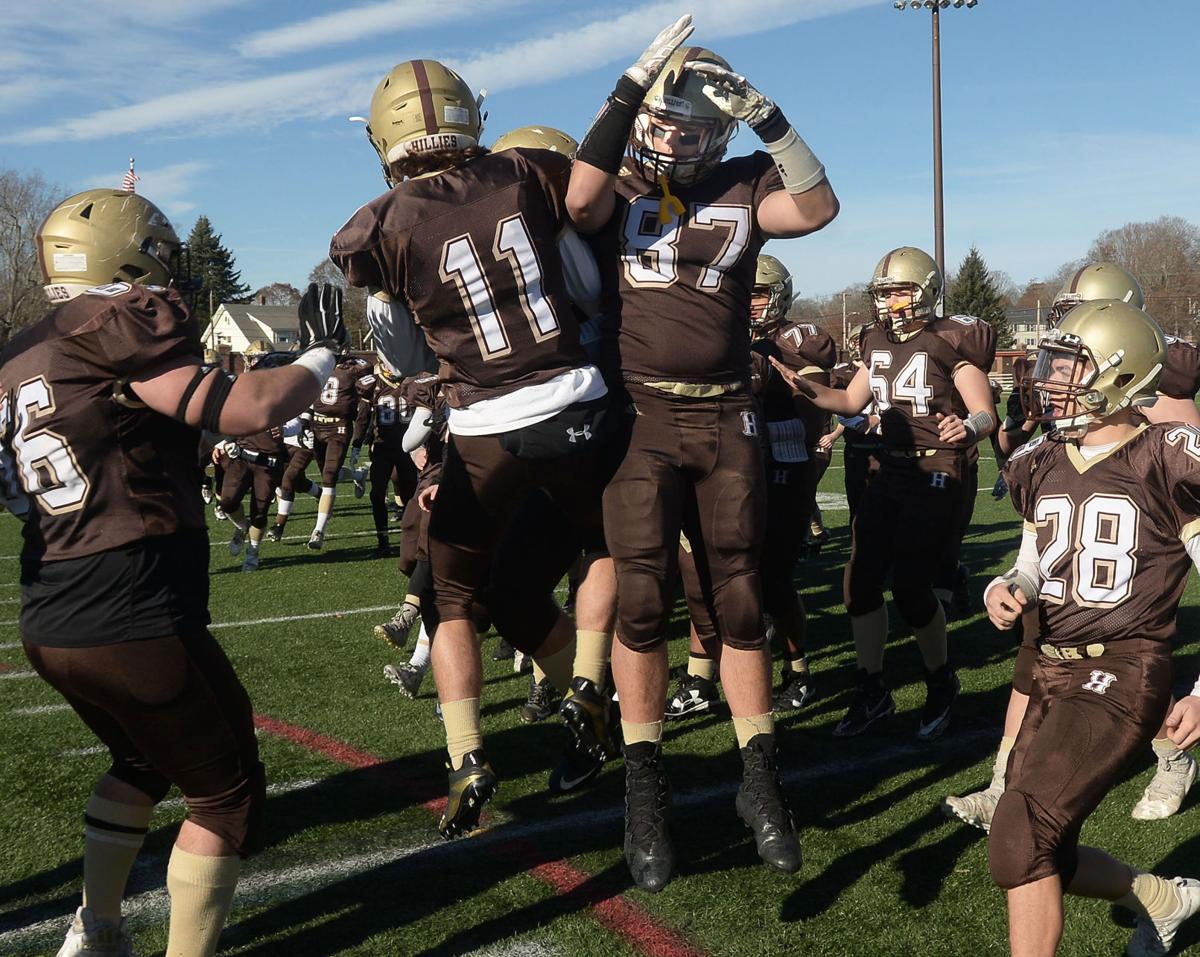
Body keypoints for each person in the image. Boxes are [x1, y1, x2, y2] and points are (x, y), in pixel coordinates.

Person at [0, 188, 344, 957]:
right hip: (129, 601)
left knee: (141, 760)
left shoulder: (22, 348)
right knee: (227, 797)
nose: (170, 276)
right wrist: (321, 358)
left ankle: (98, 931)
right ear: (130, 255)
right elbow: (247, 406)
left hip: (50, 606)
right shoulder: (109, 320)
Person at [567, 15, 839, 890]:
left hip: (726, 413)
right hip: (641, 417)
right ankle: (645, 791)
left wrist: (770, 115)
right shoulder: (619, 182)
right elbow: (576, 202)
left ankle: (760, 779)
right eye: (663, 118)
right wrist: (624, 88)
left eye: (693, 123)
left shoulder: (743, 178)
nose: (675, 134)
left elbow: (820, 206)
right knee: (640, 599)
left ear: (717, 127)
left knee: (741, 595)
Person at [331, 58, 619, 838]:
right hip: (572, 403)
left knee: (456, 599)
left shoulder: (381, 222)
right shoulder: (526, 171)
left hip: (482, 427)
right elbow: (590, 289)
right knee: (604, 540)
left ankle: (465, 755)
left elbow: (408, 353)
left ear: (383, 138)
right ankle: (589, 682)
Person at [944, 262, 1200, 832]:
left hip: (1131, 594)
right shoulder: (1052, 442)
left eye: (1073, 353)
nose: (1054, 375)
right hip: (1069, 571)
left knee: (1122, 650)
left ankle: (1171, 755)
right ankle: (1003, 779)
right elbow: (1036, 541)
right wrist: (1010, 582)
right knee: (1036, 654)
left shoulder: (1165, 433)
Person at [982, 299, 1200, 957]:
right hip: (1052, 665)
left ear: (1122, 373)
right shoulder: (1041, 456)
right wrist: (1009, 587)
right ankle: (1166, 899)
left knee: (1021, 833)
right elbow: (1033, 559)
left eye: (1069, 368)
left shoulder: (1165, 454)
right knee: (1037, 845)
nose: (1050, 380)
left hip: (1122, 666)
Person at [774, 246, 995, 741]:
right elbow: (851, 399)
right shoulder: (873, 338)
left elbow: (984, 410)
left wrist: (971, 427)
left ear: (926, 292)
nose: (890, 302)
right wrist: (803, 388)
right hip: (887, 468)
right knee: (859, 583)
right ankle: (871, 688)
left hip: (936, 468)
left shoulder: (948, 340)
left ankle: (941, 681)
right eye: (884, 292)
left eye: (900, 291)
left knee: (913, 586)